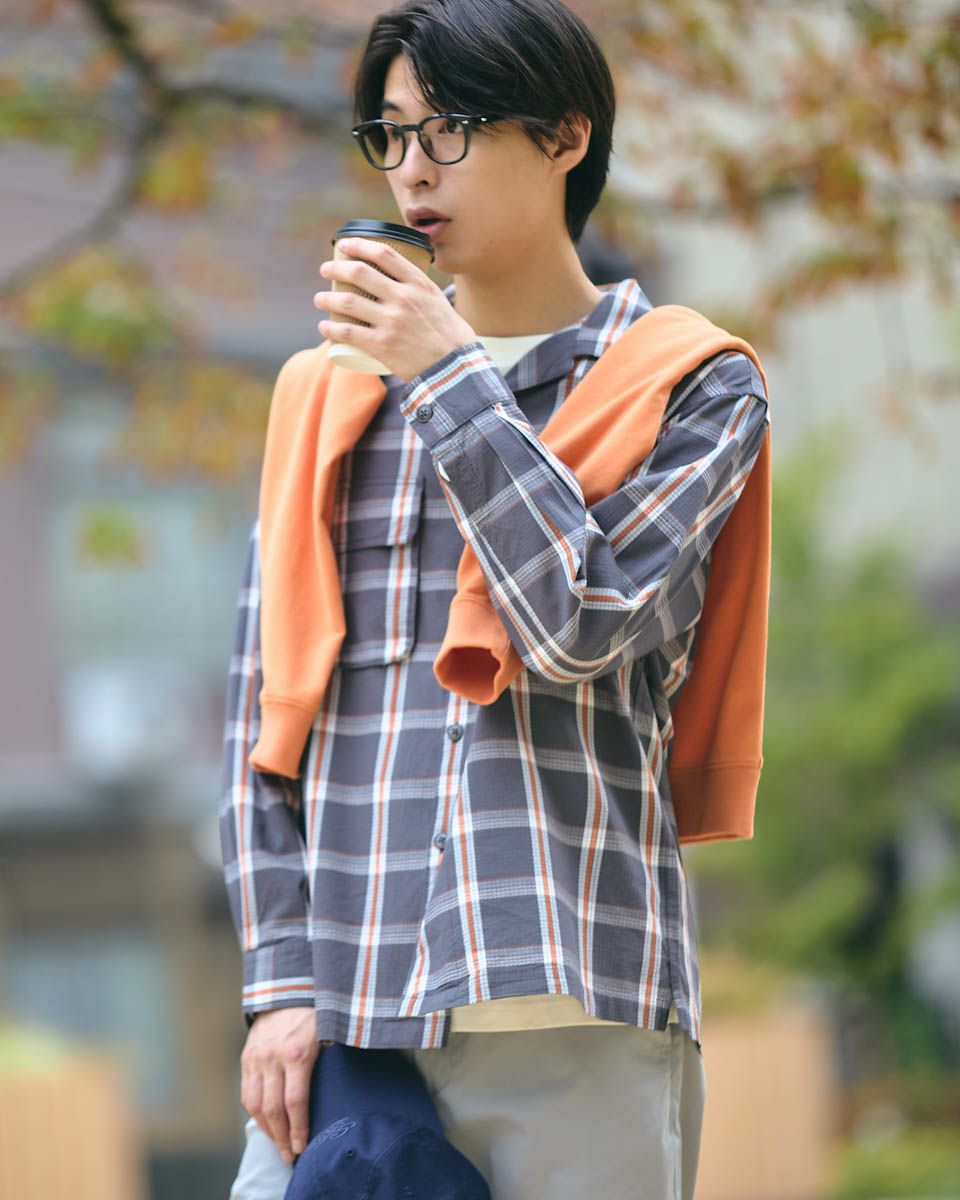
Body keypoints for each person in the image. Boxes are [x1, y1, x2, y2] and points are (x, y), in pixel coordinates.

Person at [219, 1, 771, 1197]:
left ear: (565, 135)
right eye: (392, 134)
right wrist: (278, 985)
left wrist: (446, 373)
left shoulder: (694, 382)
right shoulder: (324, 394)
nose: (414, 171)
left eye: (452, 129)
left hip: (575, 1008)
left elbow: (578, 625)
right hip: (351, 1019)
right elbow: (263, 716)